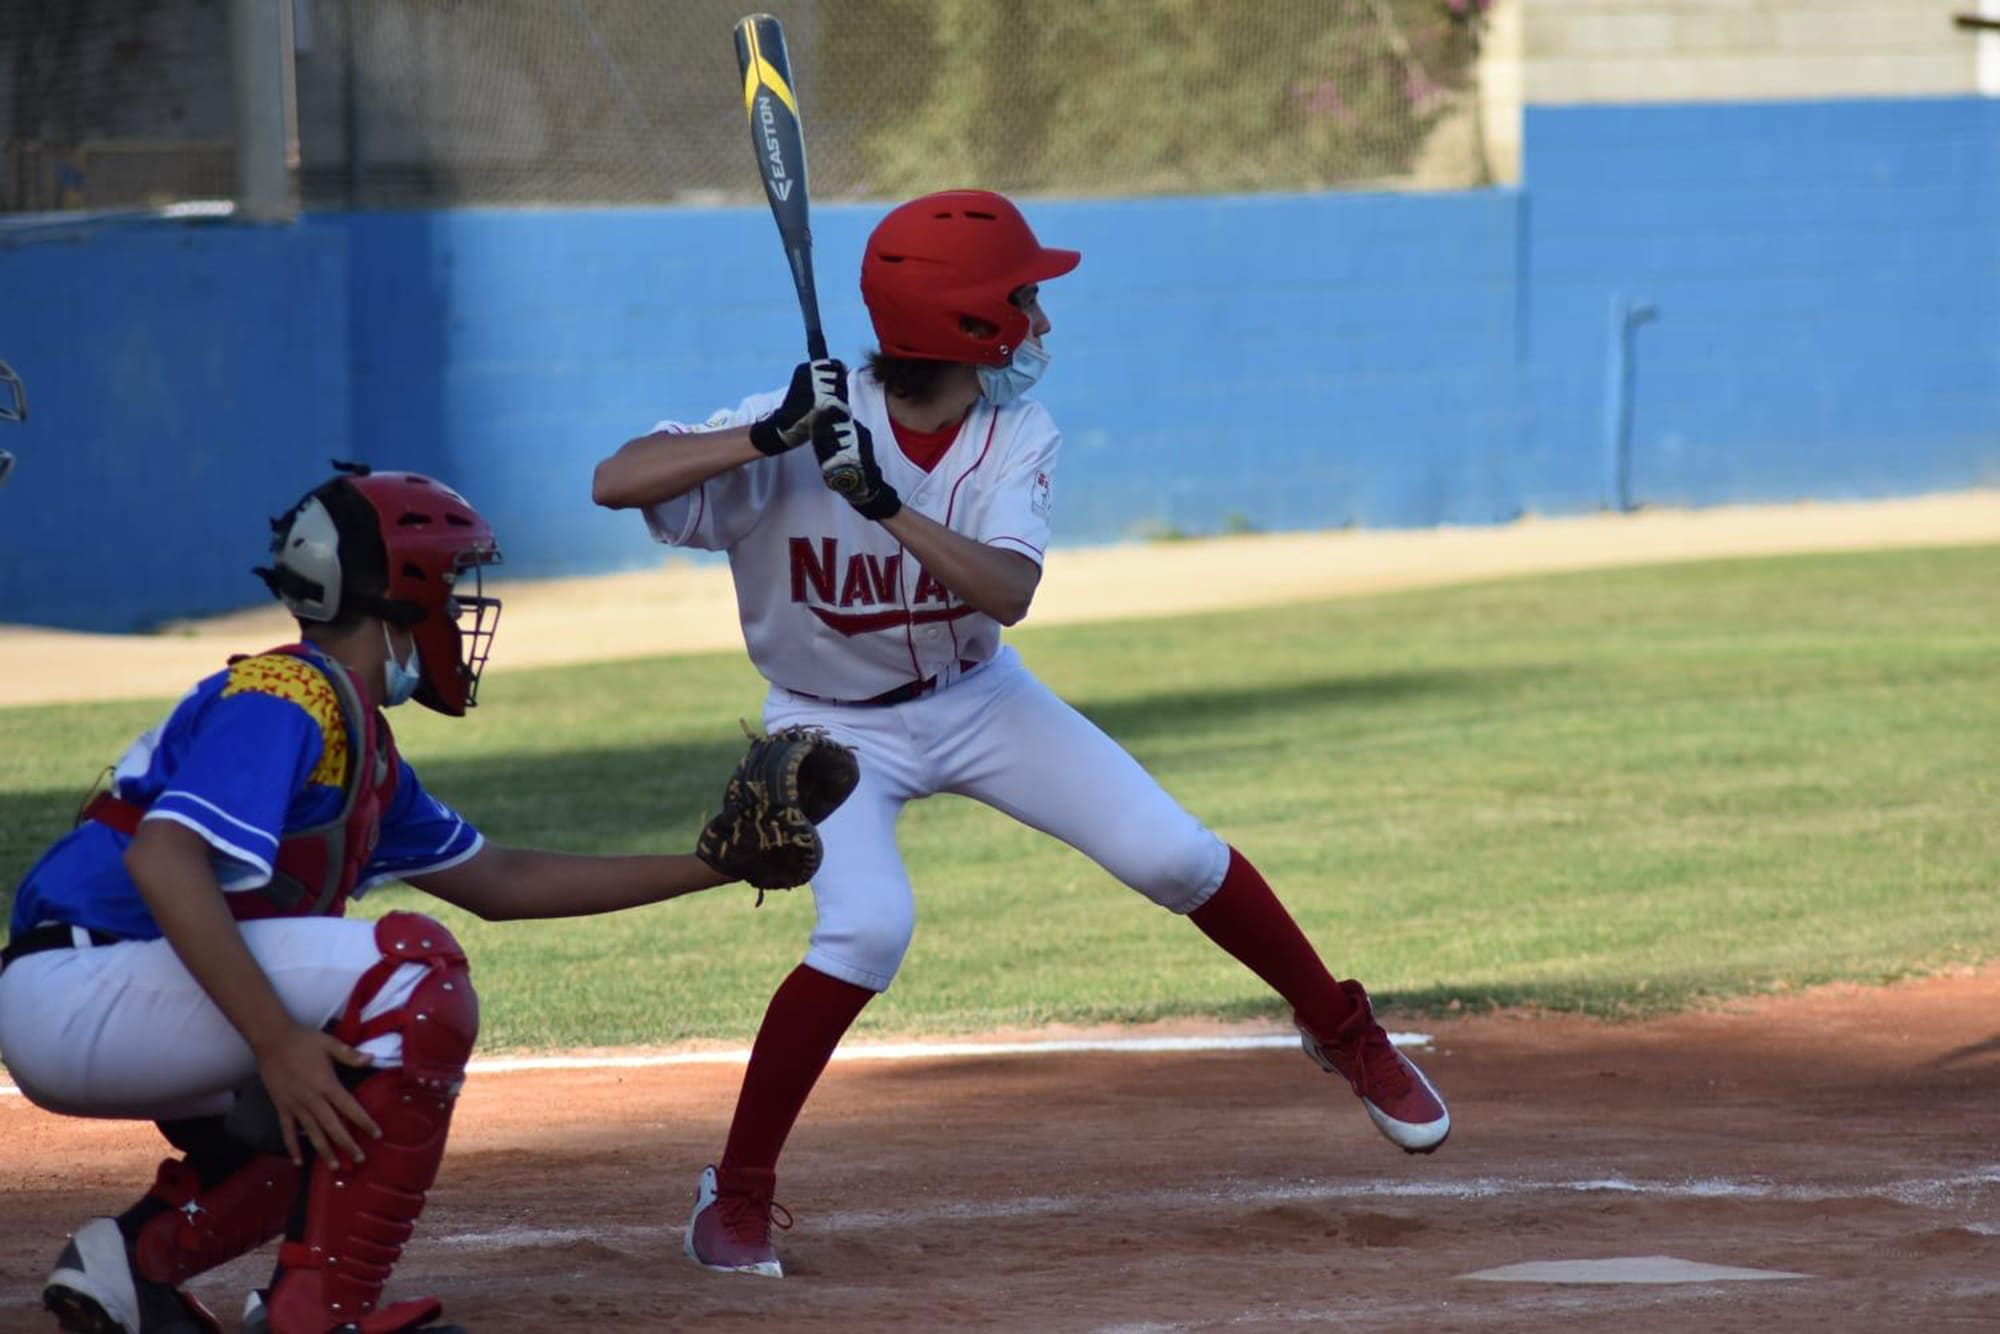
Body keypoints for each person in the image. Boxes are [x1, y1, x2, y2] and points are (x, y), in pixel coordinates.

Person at [592, 189, 1450, 1281]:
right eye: (1022, 298)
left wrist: (887, 506)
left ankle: (1340, 1028)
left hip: (980, 698)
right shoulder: (800, 415)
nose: (1038, 321)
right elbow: (612, 480)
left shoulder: (1013, 429)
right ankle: (737, 1191)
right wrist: (768, 437)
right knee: (864, 931)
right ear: (968, 326)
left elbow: (1007, 592)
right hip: (826, 724)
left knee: (1174, 852)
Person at [0, 464, 818, 1334]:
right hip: (85, 986)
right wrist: (276, 1043)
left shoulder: (355, 733)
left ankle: (132, 1267)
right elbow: (165, 860)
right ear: (402, 590)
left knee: (345, 1088)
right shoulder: (289, 697)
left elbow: (500, 881)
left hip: (110, 986)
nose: (465, 613)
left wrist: (714, 866)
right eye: (456, 583)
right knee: (412, 975)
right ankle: (319, 1314)